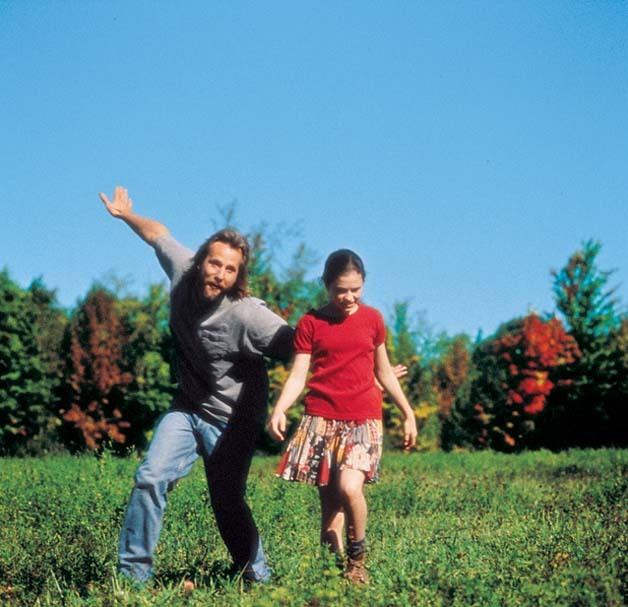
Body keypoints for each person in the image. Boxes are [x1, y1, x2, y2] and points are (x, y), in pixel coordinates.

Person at [99, 186, 294, 584]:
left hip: (235, 420)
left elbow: (302, 346)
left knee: (227, 501)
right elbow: (157, 233)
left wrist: (364, 360)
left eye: (230, 269)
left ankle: (260, 580)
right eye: (214, 263)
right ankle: (133, 578)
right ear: (201, 259)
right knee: (151, 476)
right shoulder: (183, 269)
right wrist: (125, 215)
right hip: (188, 407)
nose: (218, 274)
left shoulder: (248, 315)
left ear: (239, 276)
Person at [267, 249, 418, 585]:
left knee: (350, 487)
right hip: (321, 420)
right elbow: (298, 375)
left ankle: (358, 560)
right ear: (326, 285)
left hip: (364, 418)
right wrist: (280, 408)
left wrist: (407, 412)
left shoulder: (373, 319)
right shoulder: (311, 323)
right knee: (330, 513)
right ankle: (332, 580)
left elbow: (384, 370)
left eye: (356, 289)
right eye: (340, 290)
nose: (349, 297)